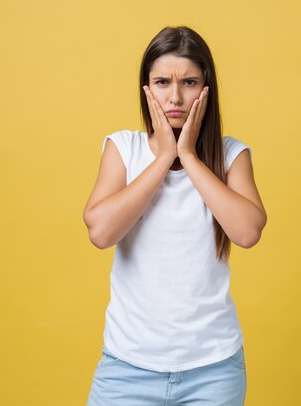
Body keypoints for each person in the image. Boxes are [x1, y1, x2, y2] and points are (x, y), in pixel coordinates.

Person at [83, 25, 267, 406]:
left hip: (213, 371)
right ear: (146, 88)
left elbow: (248, 232)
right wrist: (164, 157)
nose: (176, 96)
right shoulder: (124, 149)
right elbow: (100, 232)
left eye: (189, 82)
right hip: (127, 367)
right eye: (163, 82)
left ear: (206, 89)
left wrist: (190, 158)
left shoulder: (231, 155)